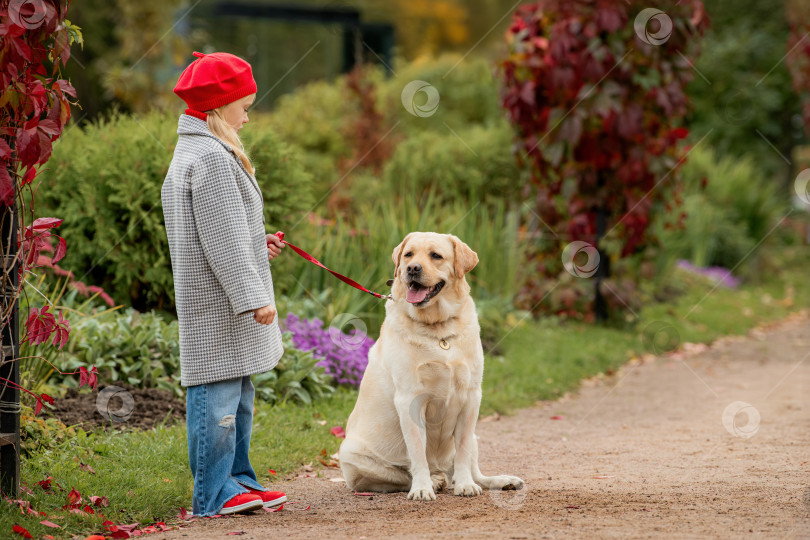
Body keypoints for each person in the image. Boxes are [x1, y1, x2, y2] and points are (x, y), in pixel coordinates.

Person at [161, 51, 287, 517]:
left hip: (224, 300)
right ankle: (213, 493)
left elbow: (232, 231)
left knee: (238, 398)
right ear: (218, 106)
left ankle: (239, 480)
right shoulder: (210, 158)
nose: (248, 116)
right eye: (244, 106)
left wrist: (261, 245)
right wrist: (253, 294)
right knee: (217, 402)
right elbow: (223, 240)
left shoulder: (207, 150)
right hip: (219, 303)